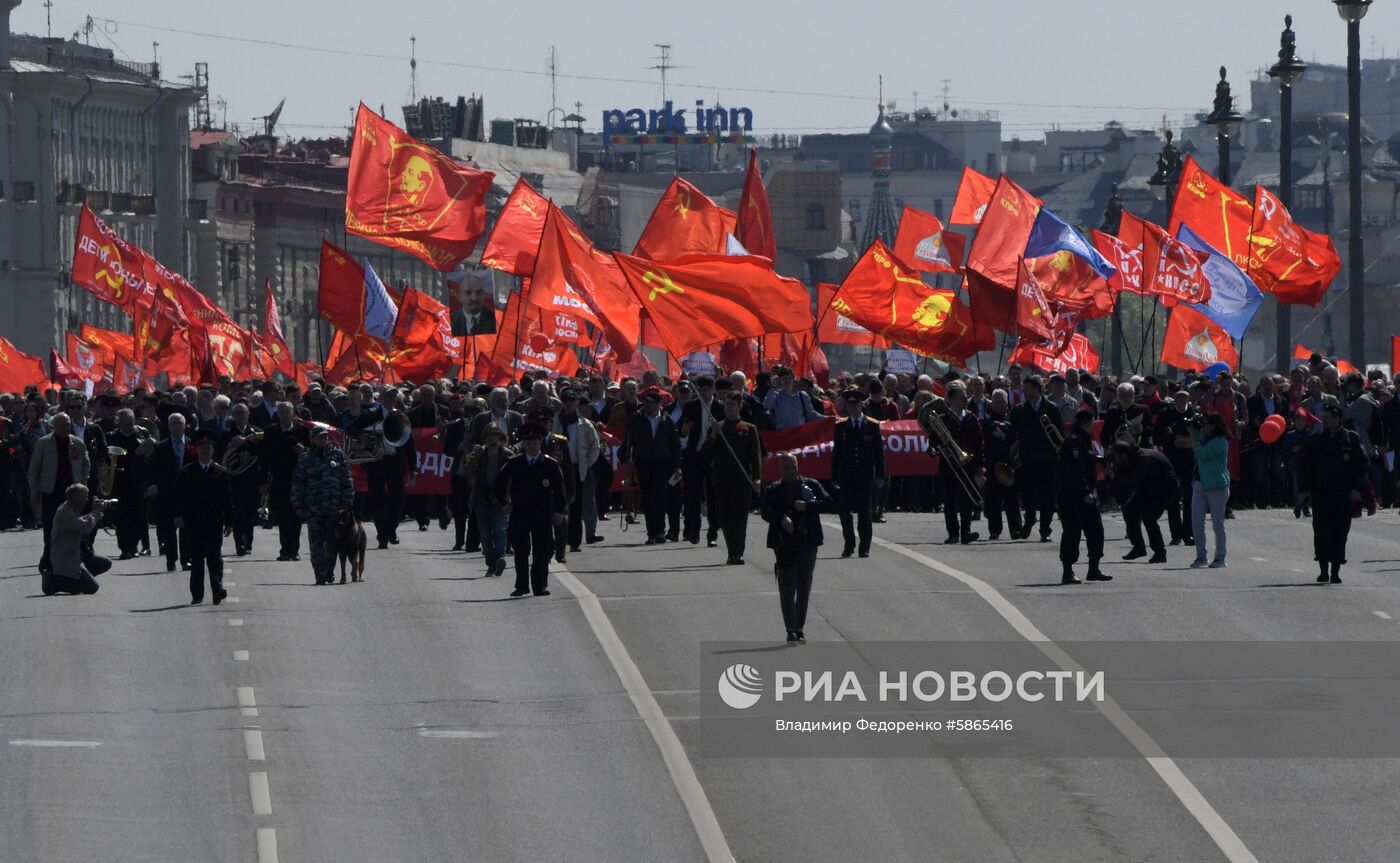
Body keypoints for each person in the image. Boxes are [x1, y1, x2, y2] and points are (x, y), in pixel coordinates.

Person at [761, 452, 831, 643]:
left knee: (804, 586)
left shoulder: (811, 485)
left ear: (797, 466)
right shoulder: (774, 489)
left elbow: (828, 503)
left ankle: (800, 627)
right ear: (780, 469)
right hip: (784, 545)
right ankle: (790, 628)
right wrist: (781, 518)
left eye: (793, 467)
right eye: (786, 468)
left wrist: (808, 506)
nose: (790, 471)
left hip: (809, 543)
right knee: (787, 587)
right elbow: (765, 511)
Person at [495, 424, 567, 597]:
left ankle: (540, 585)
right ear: (524, 445)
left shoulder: (550, 464)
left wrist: (559, 511)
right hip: (520, 512)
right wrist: (504, 502)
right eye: (528, 443)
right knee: (521, 550)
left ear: (540, 443)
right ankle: (521, 585)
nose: (532, 446)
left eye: (535, 443)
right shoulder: (515, 463)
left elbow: (559, 489)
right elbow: (499, 482)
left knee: (542, 550)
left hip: (542, 513)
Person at [1300, 402, 1368, 584]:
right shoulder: (1315, 441)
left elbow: (1361, 466)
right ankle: (1323, 570)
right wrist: (1304, 490)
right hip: (1321, 493)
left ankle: (1336, 571)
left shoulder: (1351, 440)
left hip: (1343, 494)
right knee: (1322, 532)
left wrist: (1356, 489)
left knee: (1339, 532)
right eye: (1324, 417)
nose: (1324, 420)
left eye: (1328, 418)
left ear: (1338, 419)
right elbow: (1306, 466)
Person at [702, 390, 764, 565]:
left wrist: (757, 478)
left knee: (739, 518)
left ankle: (737, 552)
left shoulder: (749, 428)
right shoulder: (717, 427)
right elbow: (706, 454)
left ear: (739, 407)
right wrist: (713, 435)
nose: (728, 408)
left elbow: (755, 456)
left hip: (742, 479)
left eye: (732, 405)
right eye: (726, 404)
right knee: (725, 517)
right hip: (721, 479)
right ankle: (731, 549)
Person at [291, 425, 355, 586]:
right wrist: (298, 506)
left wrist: (348, 502)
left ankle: (329, 571)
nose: (323, 439)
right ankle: (320, 574)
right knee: (316, 544)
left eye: (325, 436)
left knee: (332, 543)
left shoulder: (338, 456)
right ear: (312, 439)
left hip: (334, 509)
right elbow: (298, 483)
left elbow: (346, 480)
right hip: (313, 508)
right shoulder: (305, 459)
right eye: (320, 437)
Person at [28, 413, 90, 576]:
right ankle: (48, 560)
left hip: (73, 494)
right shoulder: (43, 444)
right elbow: (34, 469)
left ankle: (77, 561)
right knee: (50, 528)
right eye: (62, 424)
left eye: (68, 424)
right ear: (53, 426)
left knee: (75, 528)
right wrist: (34, 491)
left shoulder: (77, 443)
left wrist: (83, 483)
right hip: (50, 492)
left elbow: (86, 464)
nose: (65, 427)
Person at [174, 430, 232, 605]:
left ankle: (217, 589)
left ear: (212, 451)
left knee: (215, 557)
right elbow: (178, 496)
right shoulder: (187, 472)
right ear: (197, 450)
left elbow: (228, 500)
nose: (205, 451)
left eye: (208, 448)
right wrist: (178, 516)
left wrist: (229, 522)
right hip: (194, 521)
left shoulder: (220, 473)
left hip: (214, 521)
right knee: (197, 559)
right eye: (202, 448)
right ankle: (197, 594)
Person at [622, 388, 681, 545]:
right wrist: (625, 458)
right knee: (648, 497)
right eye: (645, 403)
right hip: (644, 461)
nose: (646, 406)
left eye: (650, 403)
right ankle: (651, 533)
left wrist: (677, 465)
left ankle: (660, 531)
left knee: (659, 495)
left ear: (658, 404)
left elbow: (675, 444)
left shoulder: (667, 420)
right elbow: (628, 439)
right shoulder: (637, 418)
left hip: (663, 463)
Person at [1057, 409, 1109, 584]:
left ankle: (1094, 569)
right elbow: (1075, 470)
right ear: (1087, 422)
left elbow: (1088, 464)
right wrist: (1085, 491)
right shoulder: (1073, 442)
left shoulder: (1085, 441)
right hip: (1073, 497)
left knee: (1096, 531)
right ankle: (1067, 571)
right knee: (1072, 534)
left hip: (1088, 496)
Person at [832, 388, 885, 558]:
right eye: (850, 405)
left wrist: (880, 475)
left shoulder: (872, 424)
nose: (853, 408)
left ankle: (865, 546)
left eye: (856, 404)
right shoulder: (840, 426)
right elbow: (837, 453)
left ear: (861, 405)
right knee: (844, 510)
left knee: (865, 511)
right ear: (846, 406)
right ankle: (849, 543)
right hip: (847, 475)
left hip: (865, 475)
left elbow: (879, 453)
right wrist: (834, 475)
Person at [1010, 377, 1061, 541]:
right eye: (1024, 389)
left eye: (1028, 389)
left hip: (1047, 459)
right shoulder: (1018, 410)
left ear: (1037, 389)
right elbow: (1012, 431)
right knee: (1027, 494)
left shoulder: (1051, 409)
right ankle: (1030, 519)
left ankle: (1045, 528)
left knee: (1048, 496)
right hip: (1027, 459)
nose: (1025, 392)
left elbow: (1059, 433)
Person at [1110, 442, 1178, 564]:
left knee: (1149, 518)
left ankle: (1160, 553)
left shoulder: (1143, 458)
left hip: (1165, 488)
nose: (1114, 460)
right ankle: (1139, 547)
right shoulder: (1132, 458)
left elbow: (1133, 482)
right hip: (1149, 487)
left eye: (1115, 456)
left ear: (1124, 455)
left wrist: (1114, 474)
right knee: (1129, 510)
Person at [554, 388, 602, 553]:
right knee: (559, 504)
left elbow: (594, 447)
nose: (568, 404)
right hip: (558, 467)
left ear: (576, 403)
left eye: (572, 401)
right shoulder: (556, 422)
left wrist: (586, 462)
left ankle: (574, 541)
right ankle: (558, 539)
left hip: (577, 467)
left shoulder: (585, 424)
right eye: (566, 401)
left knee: (576, 504)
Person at [43, 483, 112, 595]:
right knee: (92, 588)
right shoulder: (64, 512)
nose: (87, 499)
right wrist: (96, 512)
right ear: (76, 497)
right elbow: (84, 527)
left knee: (105, 563)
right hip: (64, 561)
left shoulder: (72, 508)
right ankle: (52, 582)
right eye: (85, 496)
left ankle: (78, 580)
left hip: (74, 558)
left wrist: (96, 513)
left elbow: (82, 521)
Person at [1185, 413, 1231, 569]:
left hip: (1217, 486)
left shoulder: (1221, 442)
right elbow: (1199, 441)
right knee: (1197, 521)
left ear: (1214, 426)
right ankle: (1201, 556)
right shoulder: (1204, 438)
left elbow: (1201, 453)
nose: (1203, 427)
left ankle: (1220, 557)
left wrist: (1194, 438)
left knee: (1217, 524)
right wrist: (1193, 428)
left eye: (1205, 424)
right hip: (1199, 484)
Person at [981, 389, 1024, 540]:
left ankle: (1016, 529)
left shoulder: (1013, 417)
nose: (1000, 404)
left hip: (1010, 463)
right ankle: (994, 530)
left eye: (1003, 401)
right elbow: (983, 434)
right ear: (992, 403)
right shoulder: (986, 419)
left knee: (1012, 499)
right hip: (993, 464)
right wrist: (993, 431)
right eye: (997, 401)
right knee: (993, 500)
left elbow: (1019, 435)